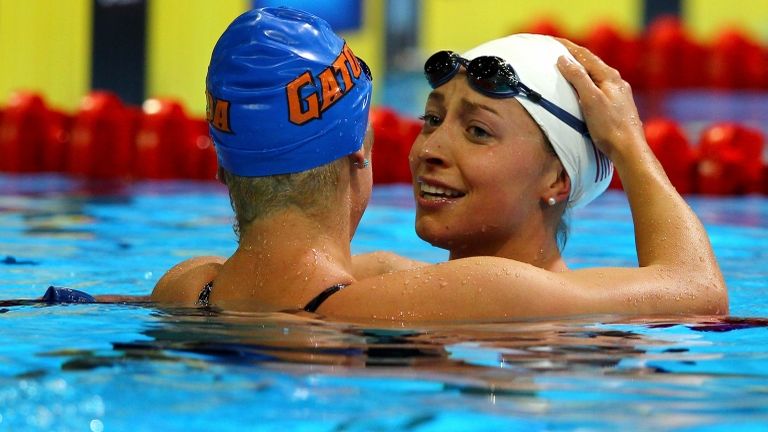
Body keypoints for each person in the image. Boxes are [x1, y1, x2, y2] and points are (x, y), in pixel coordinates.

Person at [151, 8, 727, 320]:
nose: (429, 148)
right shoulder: (406, 288)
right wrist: (631, 144)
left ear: (558, 177)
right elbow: (695, 287)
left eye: (476, 131)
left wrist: (625, 141)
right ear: (359, 156)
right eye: (430, 120)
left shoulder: (188, 288)